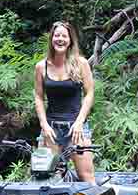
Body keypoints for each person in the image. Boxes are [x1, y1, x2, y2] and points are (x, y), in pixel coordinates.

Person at [33, 21, 97, 184]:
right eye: (57, 35)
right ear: (51, 39)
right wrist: (44, 125)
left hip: (76, 128)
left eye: (64, 36)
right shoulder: (41, 67)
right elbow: (39, 97)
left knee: (86, 176)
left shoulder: (80, 63)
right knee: (47, 177)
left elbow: (89, 93)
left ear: (70, 40)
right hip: (51, 129)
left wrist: (79, 122)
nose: (60, 39)